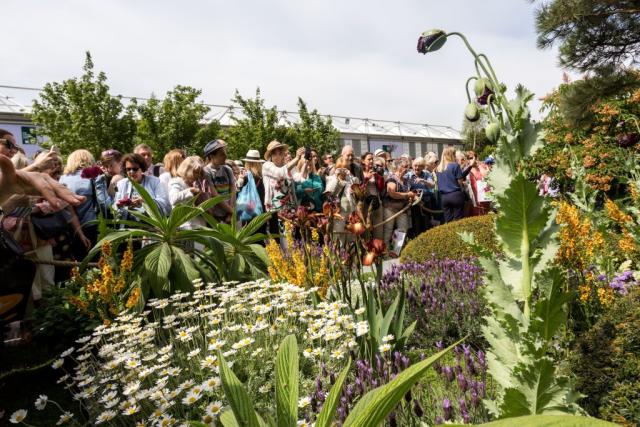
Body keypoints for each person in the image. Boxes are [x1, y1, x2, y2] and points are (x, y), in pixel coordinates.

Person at [59, 150, 110, 252]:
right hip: (90, 225)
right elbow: (103, 202)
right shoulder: (94, 177)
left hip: (68, 226)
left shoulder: (62, 178)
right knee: (92, 260)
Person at [262, 140, 305, 236]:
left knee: (290, 241)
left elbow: (299, 179)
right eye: (274, 154)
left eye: (280, 153)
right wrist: (297, 158)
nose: (278, 156)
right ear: (270, 156)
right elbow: (279, 173)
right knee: (276, 242)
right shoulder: (267, 166)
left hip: (290, 209)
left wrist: (305, 163)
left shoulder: (288, 166)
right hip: (274, 211)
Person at [114, 153, 171, 217]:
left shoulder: (154, 181)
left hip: (151, 223)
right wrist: (119, 205)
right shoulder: (121, 184)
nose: (131, 172)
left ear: (142, 168)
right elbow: (115, 207)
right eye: (128, 169)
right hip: (128, 223)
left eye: (135, 169)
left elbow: (163, 203)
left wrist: (145, 201)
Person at [383, 158, 416, 251]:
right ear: (398, 167)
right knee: (388, 231)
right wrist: (406, 195)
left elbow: (408, 193)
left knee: (402, 230)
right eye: (404, 167)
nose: (406, 169)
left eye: (408, 167)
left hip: (402, 209)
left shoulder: (405, 180)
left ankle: (395, 251)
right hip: (390, 209)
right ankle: (385, 252)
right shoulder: (391, 178)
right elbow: (392, 193)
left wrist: (411, 197)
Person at [436, 146, 474, 223]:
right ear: (452, 154)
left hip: (444, 197)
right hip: (455, 195)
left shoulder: (438, 168)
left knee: (448, 221)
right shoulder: (455, 165)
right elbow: (460, 182)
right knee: (458, 221)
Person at [324, 156, 356, 244]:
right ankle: (338, 256)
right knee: (338, 238)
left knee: (349, 237)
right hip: (338, 213)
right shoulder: (331, 179)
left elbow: (357, 194)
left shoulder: (351, 179)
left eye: (345, 168)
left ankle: (349, 256)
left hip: (350, 212)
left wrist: (355, 191)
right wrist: (338, 180)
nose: (343, 171)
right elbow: (330, 194)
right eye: (340, 169)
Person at [168, 156, 207, 229]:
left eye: (199, 173)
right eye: (195, 172)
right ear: (186, 169)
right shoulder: (176, 182)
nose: (198, 175)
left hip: (200, 225)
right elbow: (173, 199)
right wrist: (190, 191)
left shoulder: (196, 183)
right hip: (185, 226)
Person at [203, 139, 236, 223]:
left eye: (225, 153)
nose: (225, 156)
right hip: (215, 215)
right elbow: (214, 194)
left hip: (229, 212)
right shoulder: (206, 172)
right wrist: (231, 211)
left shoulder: (227, 169)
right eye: (221, 154)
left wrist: (230, 212)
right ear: (211, 156)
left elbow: (233, 190)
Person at [405, 157, 435, 237]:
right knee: (416, 224)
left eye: (419, 166)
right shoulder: (408, 175)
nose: (417, 168)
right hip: (415, 203)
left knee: (426, 223)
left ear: (423, 167)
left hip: (426, 202)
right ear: (412, 165)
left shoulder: (426, 174)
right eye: (415, 165)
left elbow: (432, 185)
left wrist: (423, 181)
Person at [361, 152, 385, 240]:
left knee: (378, 230)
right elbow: (359, 189)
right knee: (365, 230)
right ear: (363, 161)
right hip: (365, 205)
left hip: (376, 203)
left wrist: (379, 177)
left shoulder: (375, 172)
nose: (371, 161)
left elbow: (381, 188)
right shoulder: (360, 173)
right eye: (369, 159)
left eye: (372, 159)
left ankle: (378, 250)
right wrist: (366, 178)